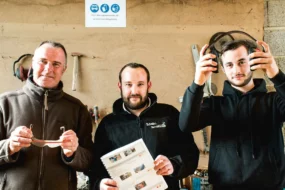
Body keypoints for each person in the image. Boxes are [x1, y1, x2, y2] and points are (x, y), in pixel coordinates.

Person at [179, 39, 285, 190]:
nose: (236, 70)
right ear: (223, 69)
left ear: (253, 62)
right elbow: (185, 125)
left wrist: (276, 74)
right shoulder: (215, 105)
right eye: (229, 65)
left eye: (242, 62)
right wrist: (197, 83)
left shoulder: (274, 101)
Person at [89, 63, 199, 190]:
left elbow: (191, 155)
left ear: (149, 85)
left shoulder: (169, 114)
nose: (134, 91)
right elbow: (95, 168)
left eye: (140, 84)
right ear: (120, 86)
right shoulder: (108, 124)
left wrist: (174, 164)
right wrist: (99, 185)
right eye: (128, 85)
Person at [0, 41, 93, 190]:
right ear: (33, 64)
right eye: (43, 62)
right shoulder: (4, 103)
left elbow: (89, 161)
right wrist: (9, 147)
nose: (48, 69)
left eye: (56, 64)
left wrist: (73, 153)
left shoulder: (77, 109)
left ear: (64, 69)